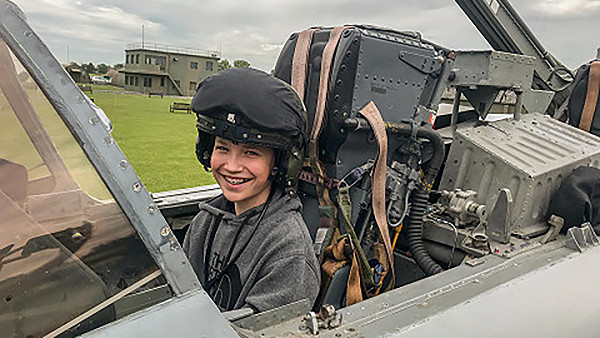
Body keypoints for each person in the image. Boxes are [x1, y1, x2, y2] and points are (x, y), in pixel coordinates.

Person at [183, 68, 320, 313]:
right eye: (222, 148)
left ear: (280, 164)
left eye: (251, 152)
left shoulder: (289, 254)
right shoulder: (204, 221)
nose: (232, 167)